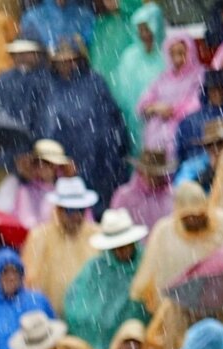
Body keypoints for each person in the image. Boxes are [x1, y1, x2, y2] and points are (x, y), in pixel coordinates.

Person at [130, 180, 223, 349]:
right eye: (187, 217)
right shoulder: (164, 232)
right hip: (180, 314)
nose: (193, 220)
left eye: (197, 215)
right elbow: (146, 279)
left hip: (222, 312)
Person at [38, 37, 129, 216]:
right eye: (60, 61)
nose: (65, 64)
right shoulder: (47, 86)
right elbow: (44, 126)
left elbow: (111, 120)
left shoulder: (95, 82)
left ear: (78, 59)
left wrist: (111, 152)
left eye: (70, 59)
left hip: (98, 160)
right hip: (62, 163)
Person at [63, 208, 150, 349]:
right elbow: (75, 304)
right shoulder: (95, 268)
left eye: (125, 244)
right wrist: (96, 322)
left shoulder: (148, 263)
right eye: (116, 247)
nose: (122, 250)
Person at [21, 176, 101, 315]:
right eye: (70, 210)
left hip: (87, 317)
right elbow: (28, 284)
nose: (76, 216)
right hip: (48, 319)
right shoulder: (39, 236)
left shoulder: (98, 235)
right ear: (58, 209)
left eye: (80, 210)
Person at [106, 2, 168, 154]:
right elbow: (120, 93)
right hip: (134, 124)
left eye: (148, 29)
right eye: (141, 30)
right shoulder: (129, 57)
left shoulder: (167, 54)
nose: (145, 35)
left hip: (163, 122)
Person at [135, 28, 202, 157]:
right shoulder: (163, 78)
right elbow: (142, 104)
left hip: (184, 132)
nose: (177, 59)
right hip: (155, 138)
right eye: (172, 54)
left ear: (190, 52)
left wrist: (172, 110)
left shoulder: (198, 75)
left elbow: (197, 102)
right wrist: (154, 108)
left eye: (181, 53)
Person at [0, 38, 52, 135]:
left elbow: (45, 117)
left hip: (33, 137)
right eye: (18, 53)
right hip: (5, 136)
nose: (21, 57)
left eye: (27, 53)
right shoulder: (3, 78)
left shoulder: (47, 79)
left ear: (38, 55)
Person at [175, 68, 223, 164]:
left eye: (221, 88)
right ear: (206, 91)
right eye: (213, 89)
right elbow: (181, 154)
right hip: (196, 167)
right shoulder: (188, 122)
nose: (217, 93)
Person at [109, 148, 176, 230]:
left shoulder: (172, 195)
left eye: (157, 174)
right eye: (150, 173)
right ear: (140, 171)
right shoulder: (123, 197)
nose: (155, 178)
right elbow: (114, 227)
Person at [11, 138, 71, 228]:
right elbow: (23, 220)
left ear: (57, 168)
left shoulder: (68, 191)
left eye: (46, 164)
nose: (40, 168)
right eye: (36, 164)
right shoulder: (24, 191)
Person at [175, 119, 223, 192]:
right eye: (210, 144)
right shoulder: (192, 166)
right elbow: (180, 190)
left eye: (220, 142)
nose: (215, 148)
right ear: (206, 147)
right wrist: (207, 174)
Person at [20, 0, 94, 48]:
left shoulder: (85, 16)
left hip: (79, 69)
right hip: (44, 70)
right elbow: (29, 51)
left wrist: (75, 43)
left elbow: (92, 46)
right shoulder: (31, 17)